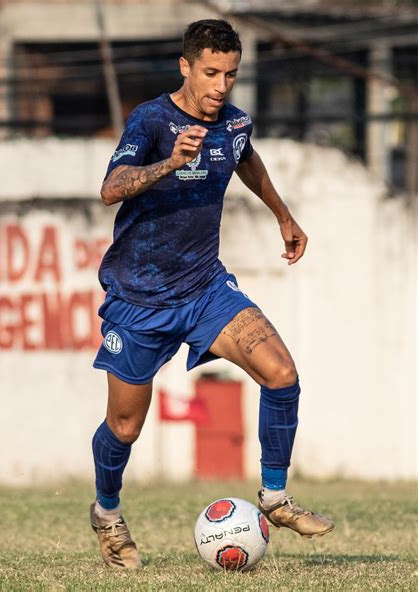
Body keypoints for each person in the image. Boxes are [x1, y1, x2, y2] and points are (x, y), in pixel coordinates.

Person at [90, 19, 334, 569]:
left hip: (205, 289)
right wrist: (171, 161)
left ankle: (273, 498)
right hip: (139, 299)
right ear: (185, 67)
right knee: (125, 427)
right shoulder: (152, 120)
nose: (221, 85)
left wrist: (284, 215)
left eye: (231, 74)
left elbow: (244, 156)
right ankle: (107, 514)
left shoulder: (234, 122)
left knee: (282, 374)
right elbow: (111, 189)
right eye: (210, 73)